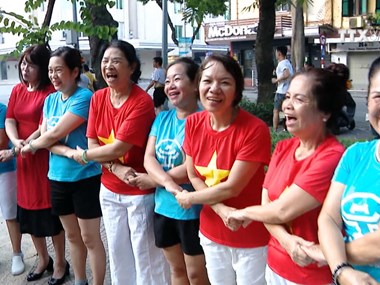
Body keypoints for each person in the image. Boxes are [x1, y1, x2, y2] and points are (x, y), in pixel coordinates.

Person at [226, 68, 346, 284]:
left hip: (312, 273)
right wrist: (288, 242)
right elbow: (267, 207)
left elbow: (281, 210)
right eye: (288, 96)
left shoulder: (332, 157)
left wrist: (243, 213)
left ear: (325, 112)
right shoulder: (283, 147)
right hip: (276, 265)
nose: (287, 104)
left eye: (299, 99)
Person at [71, 40, 169, 285]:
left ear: (132, 66)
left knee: (145, 256)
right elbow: (93, 143)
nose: (109, 66)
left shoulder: (141, 101)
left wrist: (82, 156)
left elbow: (118, 147)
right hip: (110, 189)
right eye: (105, 61)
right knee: (117, 252)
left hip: (139, 191)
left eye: (116, 61)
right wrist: (115, 167)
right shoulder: (98, 98)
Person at [175, 54, 271, 284]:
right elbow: (193, 174)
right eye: (207, 81)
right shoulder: (193, 123)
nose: (214, 89)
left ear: (237, 89)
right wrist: (221, 211)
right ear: (198, 85)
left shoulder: (254, 130)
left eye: (225, 82)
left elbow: (232, 188)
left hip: (250, 235)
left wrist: (191, 198)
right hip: (212, 232)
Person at [20, 46, 105, 285]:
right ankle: (80, 280)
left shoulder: (85, 98)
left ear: (75, 71)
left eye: (59, 70)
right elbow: (47, 139)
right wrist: (66, 151)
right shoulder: (50, 100)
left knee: (90, 238)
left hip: (84, 178)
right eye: (50, 70)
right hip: (57, 177)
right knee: (72, 236)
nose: (54, 75)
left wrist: (33, 145)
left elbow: (55, 133)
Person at [142, 57, 209, 285]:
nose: (170, 85)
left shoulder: (204, 121)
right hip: (164, 207)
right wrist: (168, 185)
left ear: (194, 84)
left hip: (191, 210)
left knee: (197, 274)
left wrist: (155, 181)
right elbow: (148, 158)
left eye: (177, 79)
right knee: (177, 271)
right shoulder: (162, 118)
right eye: (168, 80)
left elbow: (193, 166)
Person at [5, 44, 66, 283]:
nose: (24, 68)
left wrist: (21, 146)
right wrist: (15, 141)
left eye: (30, 64)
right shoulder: (18, 90)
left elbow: (45, 127)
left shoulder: (51, 93)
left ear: (42, 68)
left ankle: (61, 262)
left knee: (51, 217)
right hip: (24, 163)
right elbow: (10, 118)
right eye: (23, 63)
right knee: (28, 215)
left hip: (44, 160)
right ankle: (43, 259)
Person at [317, 57, 380, 285]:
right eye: (378, 96)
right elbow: (328, 218)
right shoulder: (356, 154)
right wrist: (342, 271)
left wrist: (325, 252)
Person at [0, 103, 24, 276]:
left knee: (10, 213)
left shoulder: (1, 109)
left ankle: (17, 253)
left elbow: (2, 140)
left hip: (5, 168)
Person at [272, 46, 294, 132]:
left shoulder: (282, 64)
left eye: (276, 52)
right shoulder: (288, 62)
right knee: (286, 111)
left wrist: (276, 80)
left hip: (281, 91)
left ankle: (275, 131)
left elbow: (286, 74)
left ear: (279, 53)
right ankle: (286, 128)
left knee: (276, 111)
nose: (275, 54)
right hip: (289, 91)